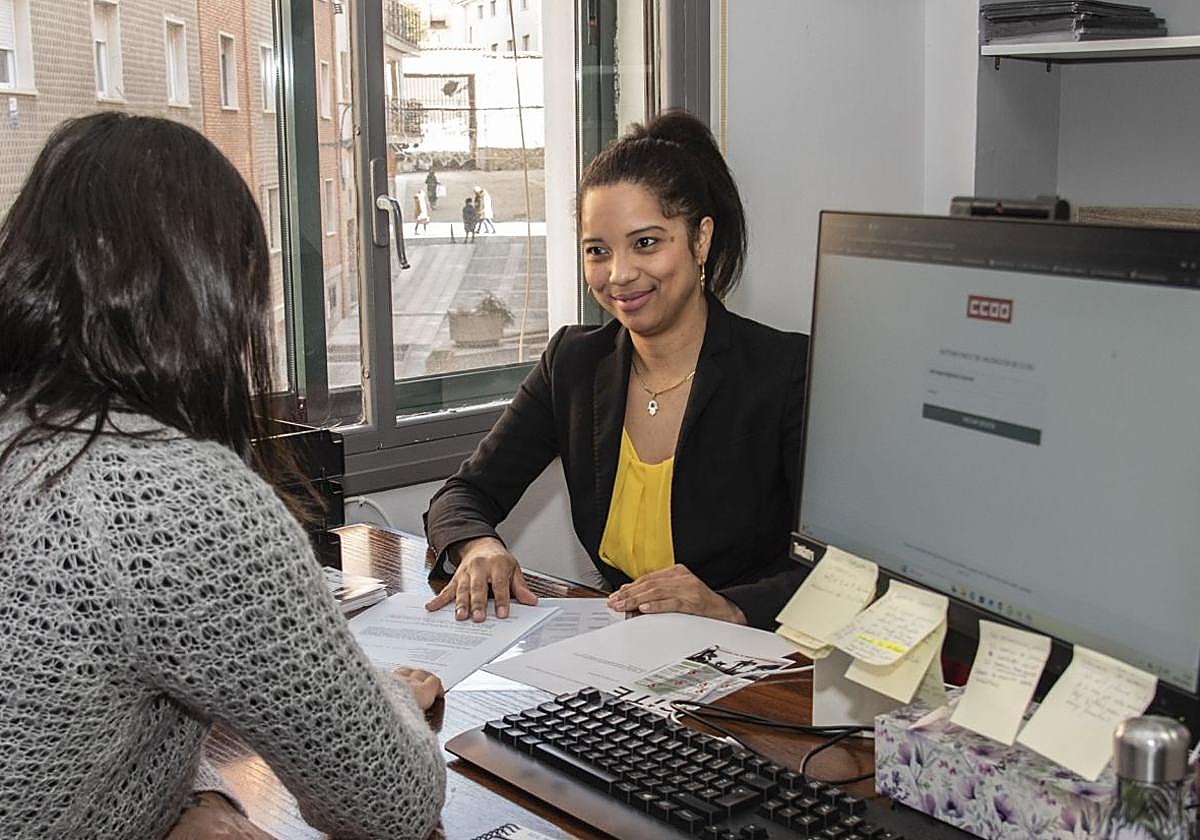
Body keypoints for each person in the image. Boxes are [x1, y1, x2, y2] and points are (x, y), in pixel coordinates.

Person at [0, 113, 446, 840]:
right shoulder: (167, 498)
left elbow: (72, 734)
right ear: (212, 295)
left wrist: (196, 796)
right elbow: (391, 805)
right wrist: (389, 696)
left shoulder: (27, 438)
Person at [424, 110, 809, 630]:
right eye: (598, 251)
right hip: (620, 645)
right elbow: (463, 494)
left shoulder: (786, 372)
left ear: (700, 239)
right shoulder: (572, 363)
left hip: (754, 652)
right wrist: (479, 546)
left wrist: (732, 606)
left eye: (646, 243)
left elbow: (849, 571)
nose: (620, 274)